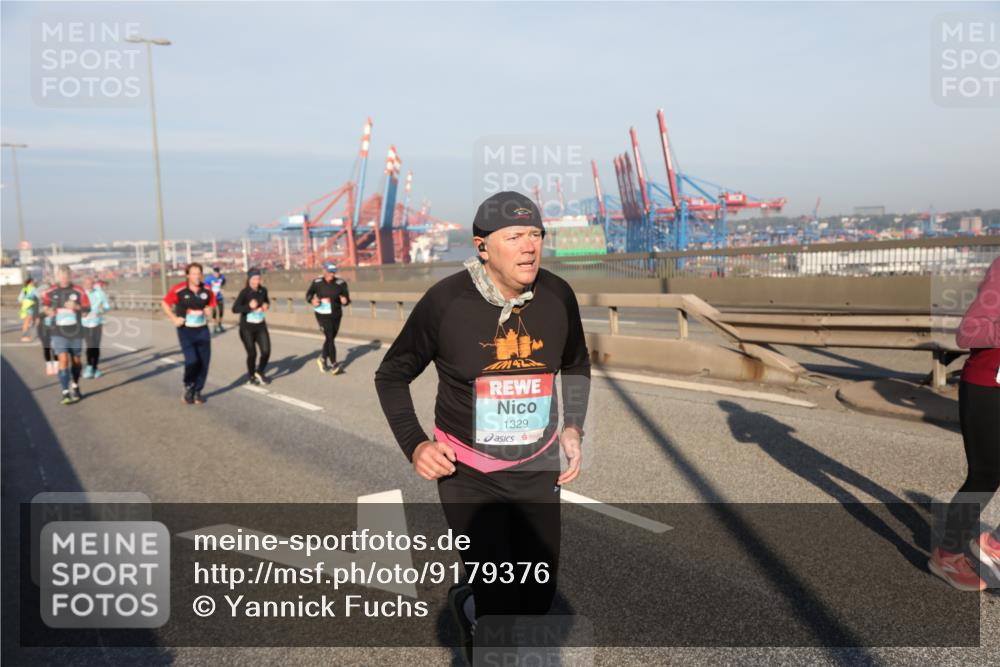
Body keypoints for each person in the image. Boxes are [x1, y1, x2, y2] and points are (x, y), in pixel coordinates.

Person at [374, 191, 590, 658]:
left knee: (536, 598)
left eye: (535, 235)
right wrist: (415, 445)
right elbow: (391, 374)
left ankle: (467, 603)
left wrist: (573, 426)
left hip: (536, 467)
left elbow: (576, 363)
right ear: (482, 246)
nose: (529, 247)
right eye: (514, 237)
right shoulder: (445, 302)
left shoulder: (557, 296)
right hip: (468, 474)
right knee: (500, 603)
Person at [930, 255, 1000, 591]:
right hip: (989, 386)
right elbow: (968, 332)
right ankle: (948, 555)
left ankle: (996, 545)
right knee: (985, 475)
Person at [162, 263, 217, 405]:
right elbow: (165, 303)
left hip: (202, 330)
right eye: (193, 273)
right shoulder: (179, 289)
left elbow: (211, 306)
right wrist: (174, 318)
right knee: (192, 360)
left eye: (199, 273)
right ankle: (188, 386)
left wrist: (209, 312)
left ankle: (198, 391)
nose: (197, 276)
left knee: (204, 362)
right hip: (186, 330)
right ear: (188, 275)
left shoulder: (207, 289)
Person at [41, 268, 91, 405]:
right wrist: (49, 311)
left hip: (76, 332)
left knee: (76, 361)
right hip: (58, 332)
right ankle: (65, 392)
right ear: (57, 276)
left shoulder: (79, 291)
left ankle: (75, 385)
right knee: (63, 360)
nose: (63, 278)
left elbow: (87, 310)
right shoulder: (50, 291)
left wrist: (76, 306)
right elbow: (45, 307)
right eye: (61, 275)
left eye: (66, 275)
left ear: (70, 276)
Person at [305, 262, 350, 375]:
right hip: (322, 315)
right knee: (329, 337)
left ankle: (322, 358)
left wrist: (345, 301)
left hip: (336, 314)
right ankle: (334, 364)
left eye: (333, 271)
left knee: (330, 338)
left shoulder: (341, 283)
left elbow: (347, 299)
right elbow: (308, 295)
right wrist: (312, 300)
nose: (331, 274)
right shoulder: (317, 282)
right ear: (324, 271)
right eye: (329, 271)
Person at [232, 268, 271, 385]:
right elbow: (235, 309)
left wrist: (266, 305)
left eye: (258, 279)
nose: (256, 281)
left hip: (260, 326)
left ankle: (259, 371)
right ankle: (251, 376)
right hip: (246, 328)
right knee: (252, 353)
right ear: (249, 279)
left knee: (266, 351)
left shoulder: (263, 290)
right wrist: (249, 307)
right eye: (254, 279)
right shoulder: (244, 293)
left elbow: (266, 301)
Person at [81, 276, 111, 379]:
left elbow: (107, 306)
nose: (88, 286)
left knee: (96, 346)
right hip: (84, 323)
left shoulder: (100, 293)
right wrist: (81, 313)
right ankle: (89, 366)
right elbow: (75, 307)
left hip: (97, 323)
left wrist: (99, 312)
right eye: (86, 284)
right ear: (83, 284)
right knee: (90, 345)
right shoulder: (80, 294)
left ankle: (95, 368)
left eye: (90, 284)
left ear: (93, 284)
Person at [37, 288, 57, 376]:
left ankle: (56, 364)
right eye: (43, 293)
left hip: (54, 328)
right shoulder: (39, 304)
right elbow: (37, 316)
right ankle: (49, 365)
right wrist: (46, 312)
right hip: (43, 329)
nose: (45, 294)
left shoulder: (55, 302)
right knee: (46, 347)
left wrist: (53, 312)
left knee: (55, 347)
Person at [204, 266, 227, 333]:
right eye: (215, 273)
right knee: (214, 312)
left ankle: (220, 325)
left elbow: (224, 282)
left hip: (220, 297)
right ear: (213, 273)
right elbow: (205, 287)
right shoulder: (208, 279)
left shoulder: (222, 277)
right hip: (212, 298)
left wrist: (222, 288)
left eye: (218, 273)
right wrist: (211, 292)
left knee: (221, 311)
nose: (217, 275)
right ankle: (214, 326)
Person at [18, 277, 38, 342]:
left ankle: (25, 335)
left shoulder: (25, 289)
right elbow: (38, 296)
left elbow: (19, 299)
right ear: (30, 282)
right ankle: (25, 336)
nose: (33, 283)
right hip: (30, 307)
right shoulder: (33, 289)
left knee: (26, 322)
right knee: (29, 322)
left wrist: (25, 302)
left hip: (24, 307)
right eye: (32, 282)